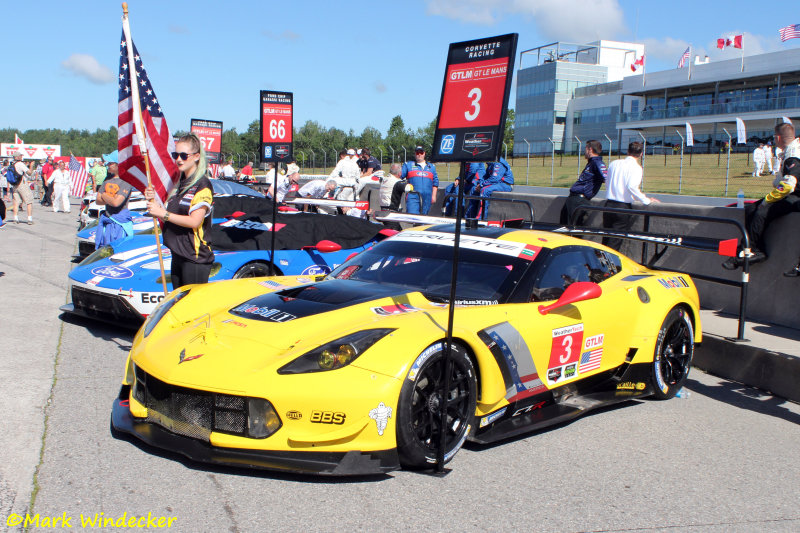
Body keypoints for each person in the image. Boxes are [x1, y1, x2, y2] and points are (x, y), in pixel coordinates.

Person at [723, 122, 800, 269]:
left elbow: (788, 186)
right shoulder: (789, 152)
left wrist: (768, 200)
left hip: (796, 197)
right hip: (792, 193)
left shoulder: (793, 155)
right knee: (751, 208)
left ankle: (752, 251)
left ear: (777, 137)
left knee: (763, 210)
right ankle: (750, 249)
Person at [145, 133, 214, 289]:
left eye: (184, 155)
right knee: (177, 305)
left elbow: (195, 221)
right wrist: (154, 203)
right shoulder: (178, 182)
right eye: (176, 155)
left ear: (196, 156)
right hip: (178, 253)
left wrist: (164, 214)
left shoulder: (203, 184)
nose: (178, 159)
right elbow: (168, 215)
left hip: (195, 258)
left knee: (192, 310)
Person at [602, 142, 659, 251]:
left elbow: (607, 181)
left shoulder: (614, 163)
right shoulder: (637, 168)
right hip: (622, 207)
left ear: (628, 151)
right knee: (615, 242)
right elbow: (632, 187)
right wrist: (646, 200)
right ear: (641, 154)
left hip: (608, 204)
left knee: (605, 240)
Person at [560, 140, 607, 225]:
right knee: (563, 226)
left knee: (571, 229)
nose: (584, 152)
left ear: (590, 149)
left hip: (579, 201)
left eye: (585, 149)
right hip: (574, 200)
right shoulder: (591, 163)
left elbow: (606, 178)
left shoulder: (597, 163)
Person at [95, 171, 134, 248]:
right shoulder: (106, 181)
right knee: (106, 250)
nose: (108, 165)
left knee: (119, 249)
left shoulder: (126, 182)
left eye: (111, 163)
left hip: (121, 223)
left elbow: (116, 203)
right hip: (107, 221)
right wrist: (111, 198)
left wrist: (104, 194)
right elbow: (98, 201)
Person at [401, 146, 438, 214]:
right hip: (413, 195)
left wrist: (434, 196)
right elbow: (399, 176)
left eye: (421, 152)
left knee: (424, 218)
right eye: (417, 153)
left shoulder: (431, 167)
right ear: (415, 154)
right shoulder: (408, 165)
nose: (419, 154)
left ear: (424, 153)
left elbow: (435, 183)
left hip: (427, 196)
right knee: (413, 216)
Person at [9, 152, 35, 224]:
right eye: (20, 156)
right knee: (29, 201)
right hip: (22, 184)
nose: (21, 157)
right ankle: (29, 219)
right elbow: (29, 172)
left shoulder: (12, 164)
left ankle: (15, 218)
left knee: (16, 202)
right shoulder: (20, 164)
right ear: (17, 157)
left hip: (14, 185)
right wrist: (31, 166)